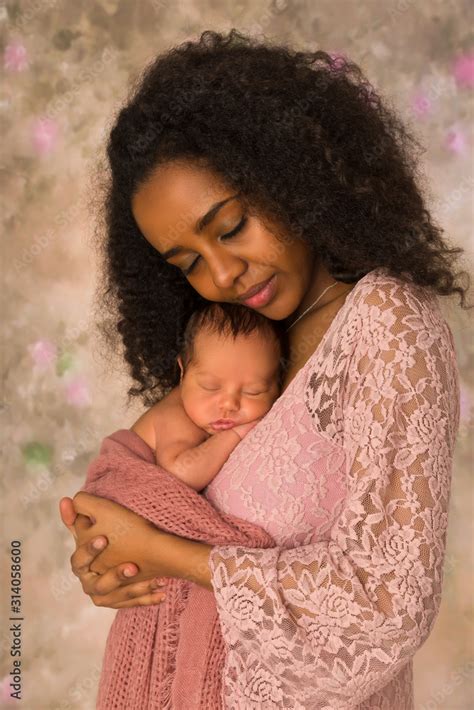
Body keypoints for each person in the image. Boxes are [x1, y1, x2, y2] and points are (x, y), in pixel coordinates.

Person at [59, 29, 470, 709]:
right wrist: (113, 558)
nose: (220, 273)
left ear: (292, 175)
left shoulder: (387, 325)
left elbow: (389, 603)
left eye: (229, 227)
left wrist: (170, 555)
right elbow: (146, 476)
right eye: (187, 262)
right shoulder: (247, 343)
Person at [130, 301, 286, 491]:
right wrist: (236, 434)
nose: (229, 404)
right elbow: (181, 475)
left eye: (253, 391)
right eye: (210, 387)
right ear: (182, 372)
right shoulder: (174, 415)